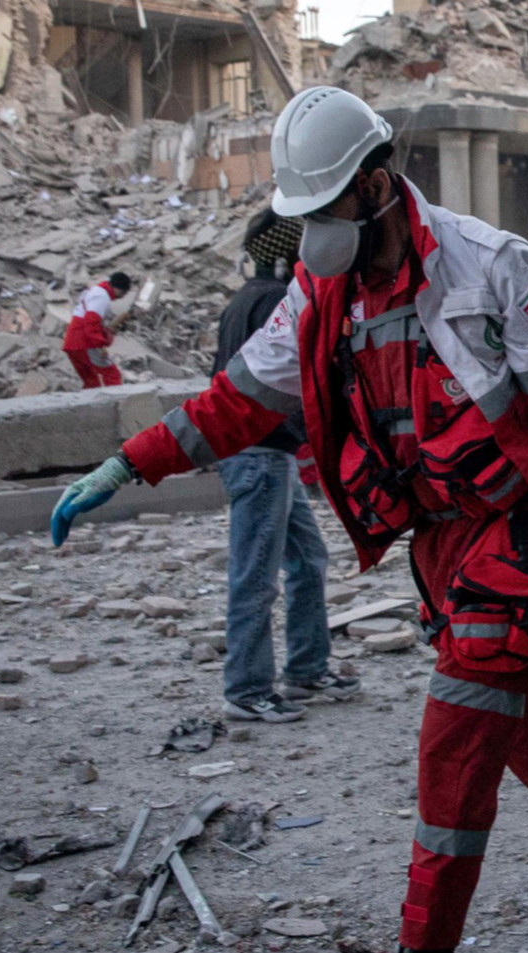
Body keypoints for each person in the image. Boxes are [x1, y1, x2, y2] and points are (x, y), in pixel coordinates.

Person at [49, 86, 528, 953]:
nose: (310, 232)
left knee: (455, 743)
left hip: (511, 532)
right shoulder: (318, 292)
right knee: (523, 721)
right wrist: (127, 462)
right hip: (439, 542)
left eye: (322, 209)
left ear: (374, 186)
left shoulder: (488, 266)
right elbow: (236, 401)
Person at [204, 211, 352, 723]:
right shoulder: (273, 302)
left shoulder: (244, 299)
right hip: (260, 455)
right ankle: (246, 689)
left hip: (268, 454)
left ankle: (307, 669)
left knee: (308, 561)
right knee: (257, 576)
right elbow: (292, 381)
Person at [63, 271, 133, 388]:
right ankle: (118, 399)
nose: (122, 297)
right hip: (84, 343)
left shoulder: (96, 291)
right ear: (118, 289)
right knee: (112, 374)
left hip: (72, 343)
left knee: (91, 381)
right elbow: (91, 323)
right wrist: (99, 346)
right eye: (123, 293)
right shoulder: (102, 296)